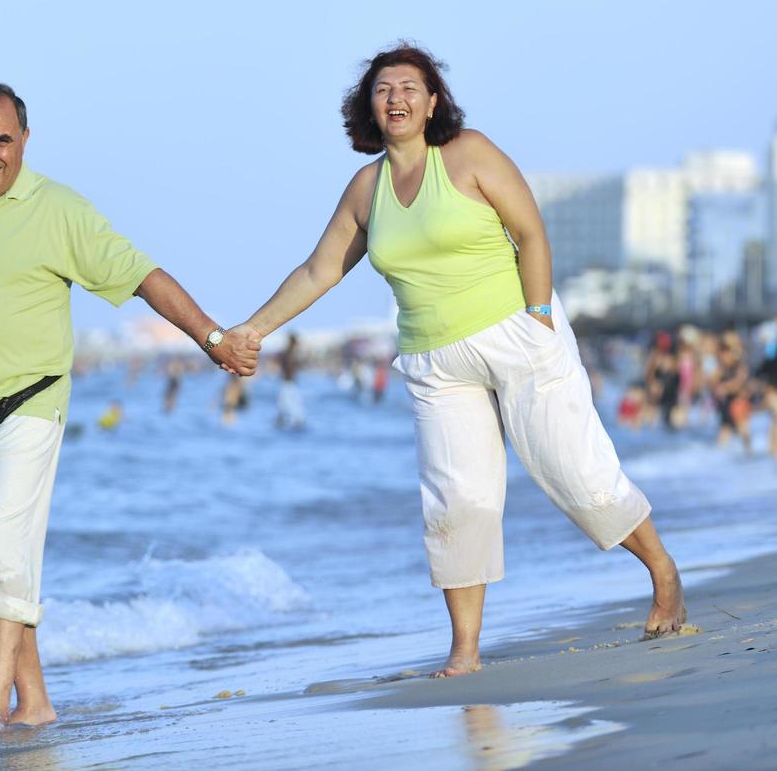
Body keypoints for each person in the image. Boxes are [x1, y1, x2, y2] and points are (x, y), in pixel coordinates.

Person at [227, 43, 685, 677]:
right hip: (434, 363)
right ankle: (465, 649)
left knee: (576, 473)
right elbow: (318, 271)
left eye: (410, 87)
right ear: (368, 106)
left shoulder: (468, 153)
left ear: (433, 100)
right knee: (456, 502)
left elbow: (530, 231)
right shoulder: (367, 189)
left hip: (516, 333)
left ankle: (663, 572)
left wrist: (539, 319)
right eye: (383, 89)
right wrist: (252, 328)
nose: (396, 98)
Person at [0, 80, 258, 731]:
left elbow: (140, 275)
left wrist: (209, 337)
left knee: (1, 549)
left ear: (25, 139)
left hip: (30, 401)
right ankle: (35, 703)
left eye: (1, 140)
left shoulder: (58, 209)